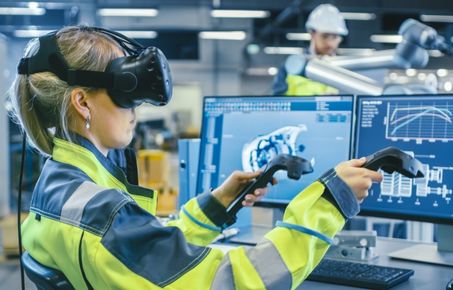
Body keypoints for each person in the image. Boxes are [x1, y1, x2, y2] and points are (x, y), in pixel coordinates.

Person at [11, 26, 382, 289]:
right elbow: (234, 279)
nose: (136, 108)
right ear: (82, 102)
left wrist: (216, 206)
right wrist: (329, 202)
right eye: (126, 92)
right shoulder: (98, 213)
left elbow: (145, 254)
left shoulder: (64, 186)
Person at [273, 3, 348, 96]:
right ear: (312, 34)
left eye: (335, 37)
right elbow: (279, 103)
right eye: (325, 36)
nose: (330, 42)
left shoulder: (346, 68)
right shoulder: (292, 66)